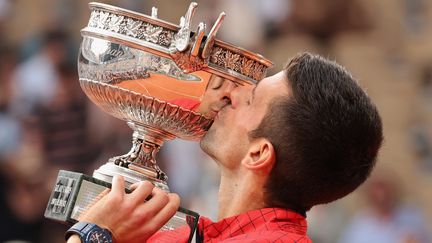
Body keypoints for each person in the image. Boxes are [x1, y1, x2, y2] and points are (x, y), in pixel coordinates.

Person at [66, 52, 383, 243]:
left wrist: (94, 234)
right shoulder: (181, 235)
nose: (230, 94)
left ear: (258, 154)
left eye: (251, 97)